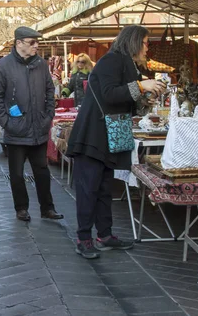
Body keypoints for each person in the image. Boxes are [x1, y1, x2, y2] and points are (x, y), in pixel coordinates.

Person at [66, 25, 166, 259]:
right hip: (93, 134)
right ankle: (84, 238)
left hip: (108, 136)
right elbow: (110, 93)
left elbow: (127, 100)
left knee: (103, 188)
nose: (147, 47)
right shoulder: (111, 60)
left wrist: (148, 98)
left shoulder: (129, 65)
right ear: (133, 41)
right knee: (88, 189)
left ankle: (104, 235)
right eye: (145, 42)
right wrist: (142, 86)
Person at [0, 26, 64, 222]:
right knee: (16, 173)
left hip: (39, 127)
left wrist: (48, 116)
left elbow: (49, 91)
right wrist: (6, 122)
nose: (36, 46)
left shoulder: (40, 64)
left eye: (37, 42)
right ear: (19, 43)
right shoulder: (3, 66)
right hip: (16, 129)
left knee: (42, 171)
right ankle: (21, 208)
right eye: (32, 42)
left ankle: (47, 208)